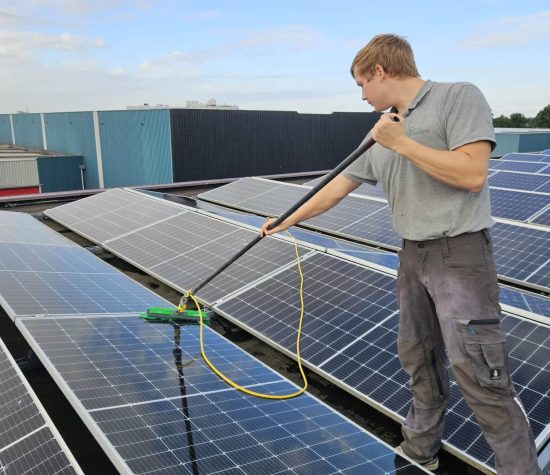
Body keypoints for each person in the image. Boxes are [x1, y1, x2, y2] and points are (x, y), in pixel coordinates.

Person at [260, 34, 541, 475]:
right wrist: (287, 218)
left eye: (361, 84)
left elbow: (472, 174)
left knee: (480, 372)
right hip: (412, 255)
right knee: (418, 357)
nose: (362, 95)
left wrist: (401, 142)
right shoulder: (383, 128)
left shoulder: (457, 97)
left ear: (380, 71)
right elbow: (339, 184)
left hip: (459, 255)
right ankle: (420, 450)